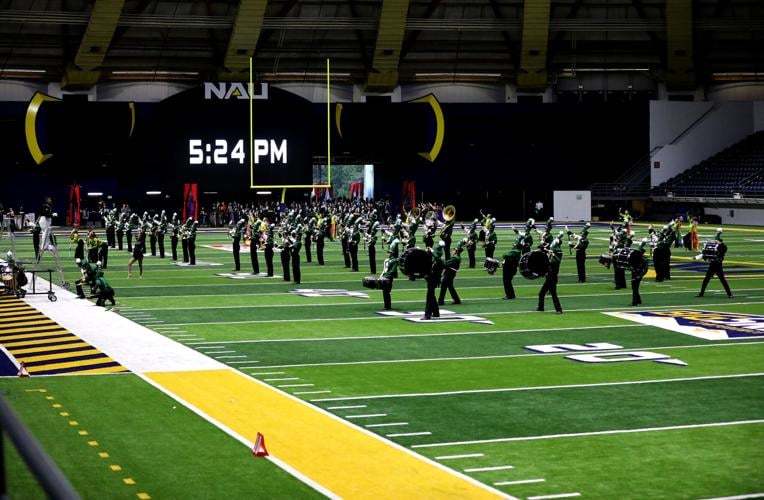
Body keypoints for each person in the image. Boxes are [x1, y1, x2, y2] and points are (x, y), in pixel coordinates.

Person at [697, 229, 733, 298]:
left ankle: (730, 294)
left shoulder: (723, 248)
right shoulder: (716, 247)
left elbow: (724, 248)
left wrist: (719, 241)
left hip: (718, 266)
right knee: (706, 279)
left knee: (723, 280)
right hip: (712, 265)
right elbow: (707, 253)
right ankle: (701, 293)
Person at [538, 232, 563, 314]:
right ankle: (540, 308)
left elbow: (556, 261)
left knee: (553, 294)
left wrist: (552, 254)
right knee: (541, 293)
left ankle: (559, 310)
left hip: (552, 278)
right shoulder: (552, 255)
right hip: (549, 277)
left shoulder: (557, 255)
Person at [423, 242, 445, 320]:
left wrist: (432, 251)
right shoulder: (435, 261)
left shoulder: (440, 262)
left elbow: (436, 257)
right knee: (432, 296)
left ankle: (427, 315)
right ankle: (436, 313)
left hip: (434, 281)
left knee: (429, 297)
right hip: (430, 280)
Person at [438, 241, 463, 306]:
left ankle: (441, 301)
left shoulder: (455, 258)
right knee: (450, 287)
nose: (452, 251)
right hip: (451, 273)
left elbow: (445, 264)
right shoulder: (456, 257)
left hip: (449, 273)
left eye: (454, 250)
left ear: (457, 251)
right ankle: (457, 300)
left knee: (443, 286)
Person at [502, 230, 523, 300]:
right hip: (511, 268)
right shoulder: (517, 251)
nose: (513, 244)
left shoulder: (515, 251)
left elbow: (504, 255)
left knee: (507, 282)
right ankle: (511, 295)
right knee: (508, 282)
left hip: (509, 268)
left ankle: (509, 295)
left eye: (514, 244)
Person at [380, 240, 399, 310]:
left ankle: (388, 305)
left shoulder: (394, 261)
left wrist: (385, 277)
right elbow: (384, 269)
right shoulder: (386, 260)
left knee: (387, 292)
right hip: (384, 277)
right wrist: (381, 275)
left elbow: (392, 271)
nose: (387, 253)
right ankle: (386, 305)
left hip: (388, 278)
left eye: (389, 252)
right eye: (387, 252)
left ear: (392, 253)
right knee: (384, 292)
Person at [630, 239, 649, 306]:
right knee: (635, 287)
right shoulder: (638, 258)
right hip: (636, 273)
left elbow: (645, 269)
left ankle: (635, 302)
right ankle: (638, 300)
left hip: (637, 274)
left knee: (635, 288)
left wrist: (639, 275)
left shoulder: (643, 259)